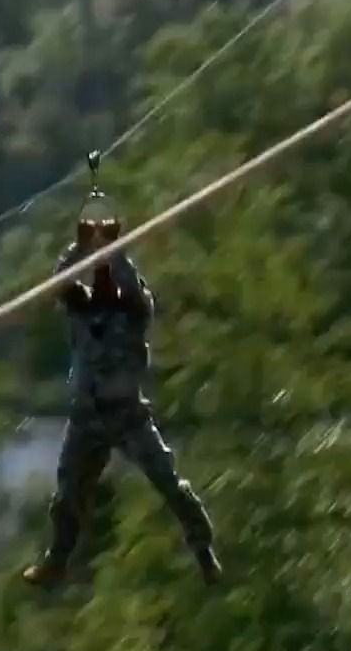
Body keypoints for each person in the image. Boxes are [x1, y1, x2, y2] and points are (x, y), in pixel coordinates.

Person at [21, 180, 221, 588]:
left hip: (126, 412)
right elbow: (61, 281)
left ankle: (203, 551)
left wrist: (113, 248)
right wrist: (81, 245)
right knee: (68, 493)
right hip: (86, 416)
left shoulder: (134, 304)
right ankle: (57, 560)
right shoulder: (79, 309)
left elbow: (126, 286)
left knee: (168, 481)